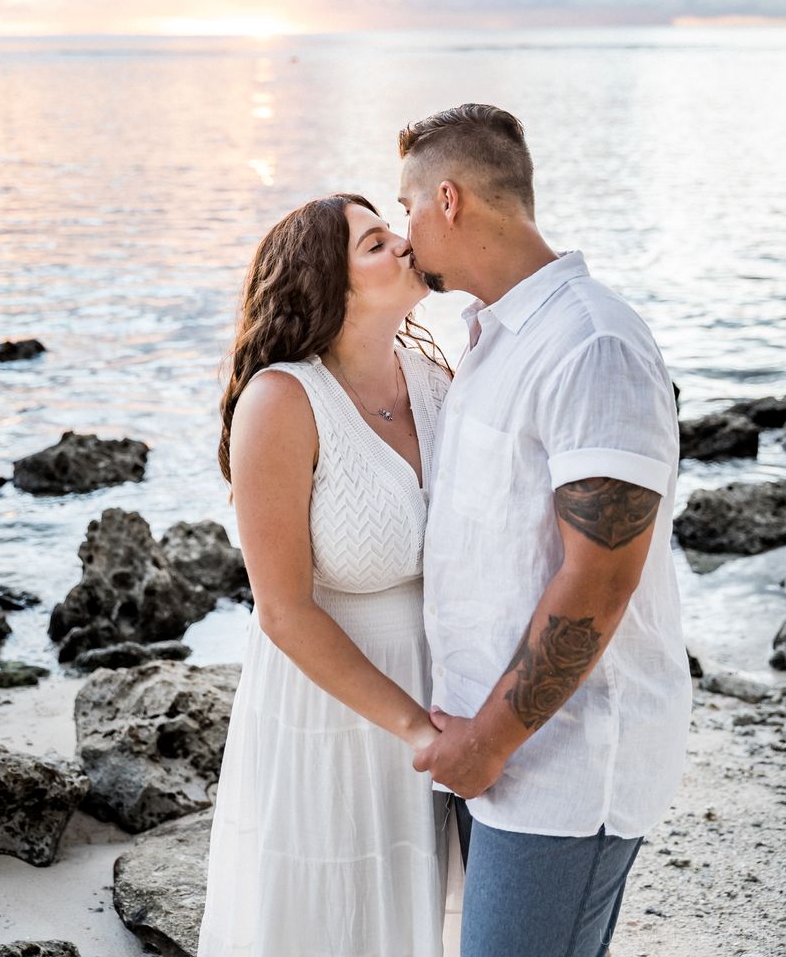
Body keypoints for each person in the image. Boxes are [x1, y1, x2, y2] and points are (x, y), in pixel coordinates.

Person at [398, 104, 692, 957]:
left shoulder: (591, 342)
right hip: (493, 748)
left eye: (408, 205)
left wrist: (487, 743)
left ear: (447, 200)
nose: (404, 233)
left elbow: (600, 576)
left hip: (560, 764)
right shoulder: (492, 341)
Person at [197, 193, 460, 957]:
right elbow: (282, 609)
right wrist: (414, 725)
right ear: (327, 287)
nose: (405, 244)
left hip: (438, 695)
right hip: (331, 713)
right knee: (327, 919)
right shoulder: (282, 400)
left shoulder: (437, 383)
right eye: (376, 243)